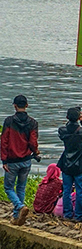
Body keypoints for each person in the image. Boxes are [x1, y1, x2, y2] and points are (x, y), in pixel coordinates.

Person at [2, 94, 39, 225]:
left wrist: (4, 160)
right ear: (27, 105)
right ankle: (17, 217)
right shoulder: (33, 123)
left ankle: (19, 206)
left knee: (8, 188)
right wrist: (36, 152)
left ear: (14, 106)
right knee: (21, 188)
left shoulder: (9, 121)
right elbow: (33, 142)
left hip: (12, 160)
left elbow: (4, 141)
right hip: (26, 160)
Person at [57, 106, 82, 222]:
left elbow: (66, 130)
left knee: (66, 190)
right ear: (78, 117)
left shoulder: (62, 130)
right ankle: (78, 216)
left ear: (67, 117)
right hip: (80, 164)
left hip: (66, 163)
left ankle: (67, 214)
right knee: (80, 191)